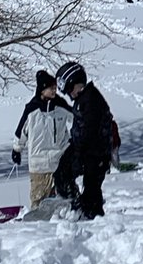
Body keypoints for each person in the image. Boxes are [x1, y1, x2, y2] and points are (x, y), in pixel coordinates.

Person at [53, 61, 116, 220]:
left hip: (95, 153)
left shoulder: (91, 100)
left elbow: (90, 130)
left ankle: (91, 214)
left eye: (69, 90)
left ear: (77, 83)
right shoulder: (83, 100)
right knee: (62, 172)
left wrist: (79, 154)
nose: (69, 95)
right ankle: (73, 201)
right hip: (83, 148)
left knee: (92, 187)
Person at [12, 70, 74, 209]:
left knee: (66, 198)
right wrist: (17, 149)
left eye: (55, 87)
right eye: (50, 87)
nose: (54, 90)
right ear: (42, 89)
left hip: (60, 161)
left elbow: (77, 120)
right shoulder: (31, 110)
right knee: (38, 201)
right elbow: (21, 132)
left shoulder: (60, 106)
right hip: (38, 164)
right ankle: (38, 226)